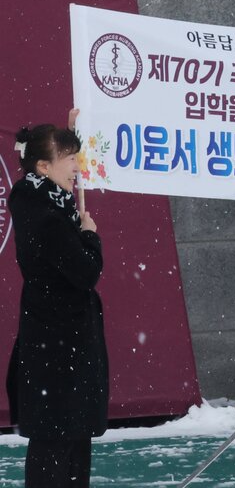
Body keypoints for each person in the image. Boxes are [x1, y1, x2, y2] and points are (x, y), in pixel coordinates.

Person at [6, 119, 108, 487]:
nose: (76, 168)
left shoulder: (47, 203)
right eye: (68, 159)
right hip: (58, 347)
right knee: (57, 441)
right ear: (43, 166)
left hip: (60, 344)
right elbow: (85, 272)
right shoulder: (44, 213)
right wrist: (90, 236)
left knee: (72, 439)